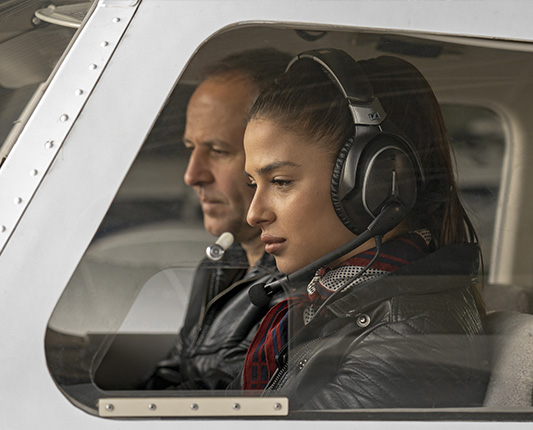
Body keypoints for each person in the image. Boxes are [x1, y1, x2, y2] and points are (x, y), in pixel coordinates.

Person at [240, 49, 490, 409]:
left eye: (279, 182)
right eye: (253, 184)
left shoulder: (409, 335)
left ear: (373, 183)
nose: (254, 214)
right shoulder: (331, 300)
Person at [145, 48, 291, 389]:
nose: (192, 175)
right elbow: (171, 377)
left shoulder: (295, 294)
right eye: (190, 148)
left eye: (219, 151)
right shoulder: (221, 265)